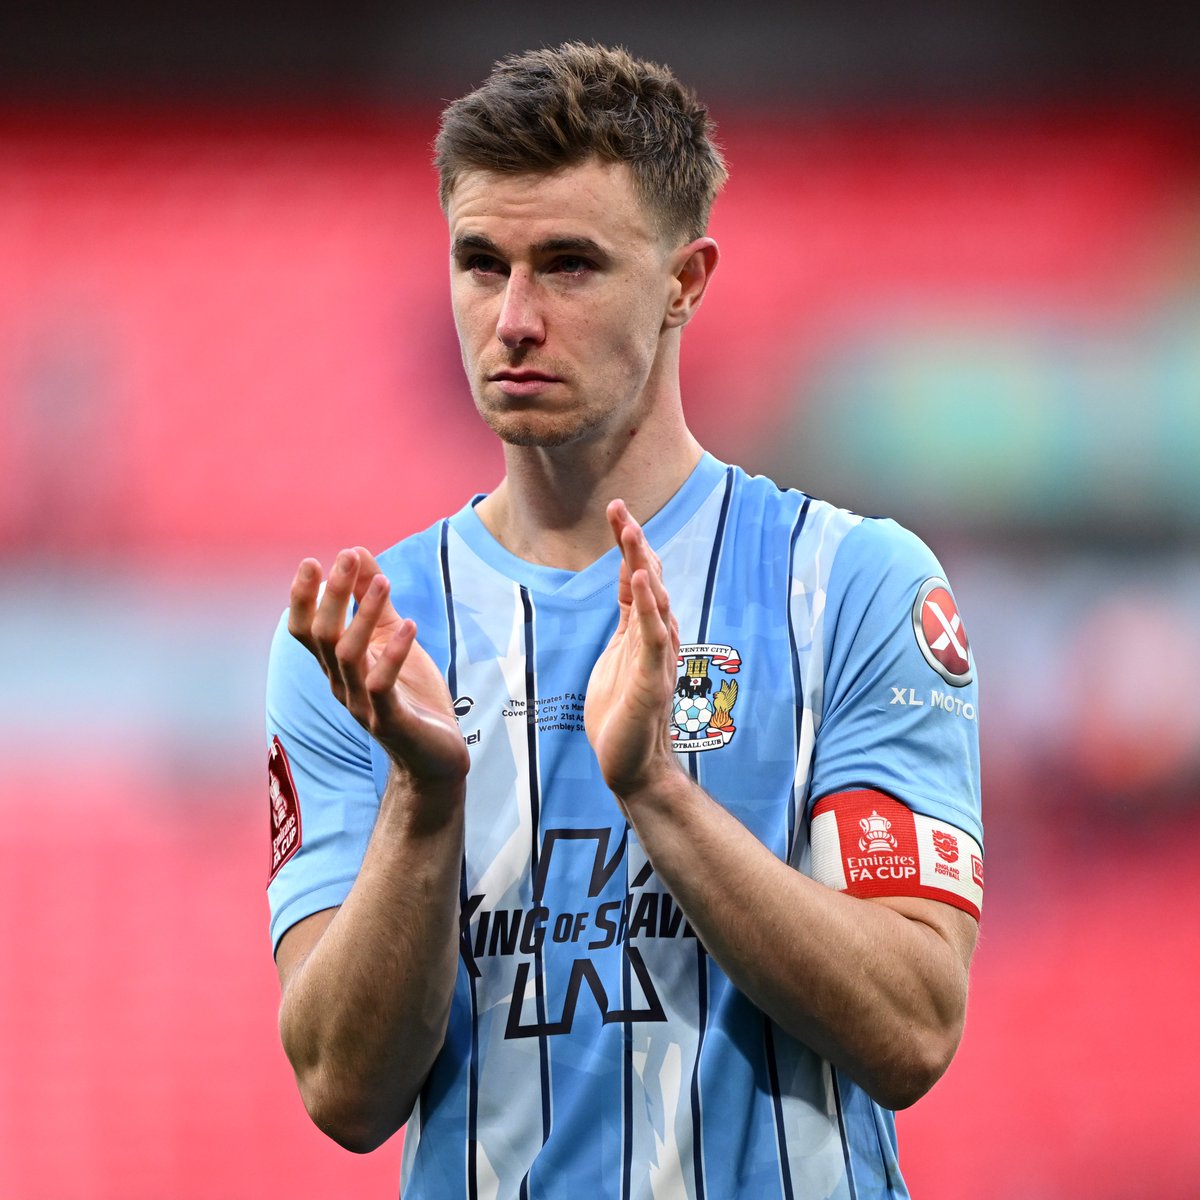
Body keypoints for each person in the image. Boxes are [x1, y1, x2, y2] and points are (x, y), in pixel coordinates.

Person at [266, 42, 983, 1200]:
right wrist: (423, 799)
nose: (513, 319)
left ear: (685, 281)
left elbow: (911, 1028)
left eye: (569, 265)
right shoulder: (367, 642)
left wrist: (658, 794)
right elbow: (344, 1093)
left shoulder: (854, 586)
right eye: (480, 262)